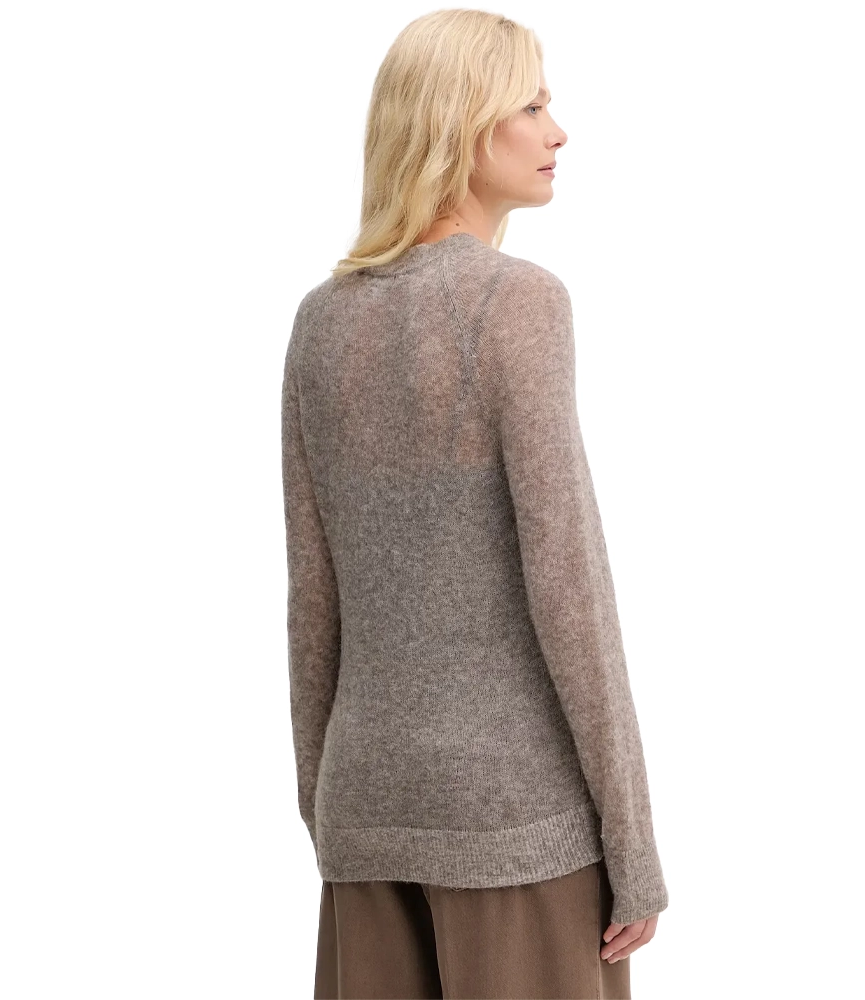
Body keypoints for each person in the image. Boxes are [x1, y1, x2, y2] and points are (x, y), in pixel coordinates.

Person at [281, 9, 669, 998]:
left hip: (365, 804)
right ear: (458, 123)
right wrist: (632, 845)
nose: (557, 131)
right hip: (514, 819)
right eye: (530, 106)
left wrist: (327, 807)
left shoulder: (321, 322)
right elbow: (568, 582)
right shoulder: (518, 302)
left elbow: (312, 594)